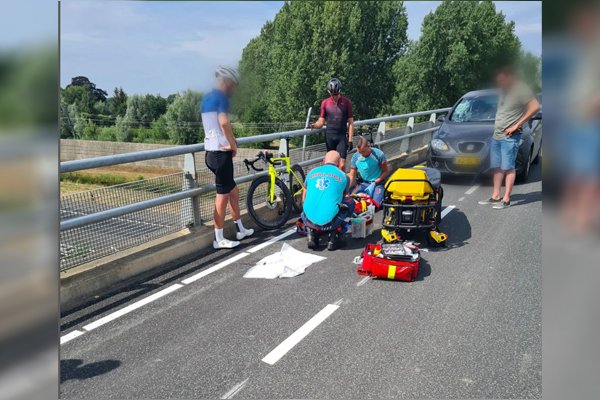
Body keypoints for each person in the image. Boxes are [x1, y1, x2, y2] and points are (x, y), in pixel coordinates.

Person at [201, 65, 254, 249]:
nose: (234, 89)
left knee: (233, 191)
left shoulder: (208, 97)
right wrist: (233, 144)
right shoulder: (221, 98)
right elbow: (224, 123)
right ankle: (219, 239)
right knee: (222, 196)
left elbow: (213, 126)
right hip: (220, 153)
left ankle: (240, 229)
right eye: (233, 85)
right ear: (227, 82)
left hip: (210, 152)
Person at [479, 65, 540, 209]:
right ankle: (495, 196)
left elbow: (535, 106)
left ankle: (506, 199)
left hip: (510, 137)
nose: (499, 83)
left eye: (501, 80)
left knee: (508, 168)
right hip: (497, 136)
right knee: (497, 167)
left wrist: (516, 125)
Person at [302, 151, 355, 251]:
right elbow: (343, 197)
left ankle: (311, 233)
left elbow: (304, 193)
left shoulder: (311, 172)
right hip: (330, 222)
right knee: (350, 202)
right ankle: (335, 237)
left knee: (307, 204)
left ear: (323, 161)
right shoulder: (344, 176)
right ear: (339, 163)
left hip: (308, 219)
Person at [310, 78, 354, 171]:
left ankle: (341, 184)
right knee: (330, 165)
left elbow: (351, 123)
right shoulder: (325, 103)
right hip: (330, 136)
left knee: (341, 165)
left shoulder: (346, 102)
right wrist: (314, 125)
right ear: (329, 92)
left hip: (341, 137)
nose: (334, 96)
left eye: (336, 94)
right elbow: (321, 122)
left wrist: (350, 140)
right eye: (332, 94)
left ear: (340, 91)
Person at [348, 136, 389, 207]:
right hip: (364, 183)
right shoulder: (355, 157)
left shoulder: (379, 154)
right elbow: (352, 175)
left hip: (377, 183)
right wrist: (347, 189)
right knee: (351, 199)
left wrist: (375, 182)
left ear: (368, 146)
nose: (361, 154)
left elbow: (385, 171)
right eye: (359, 152)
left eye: (363, 152)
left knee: (376, 204)